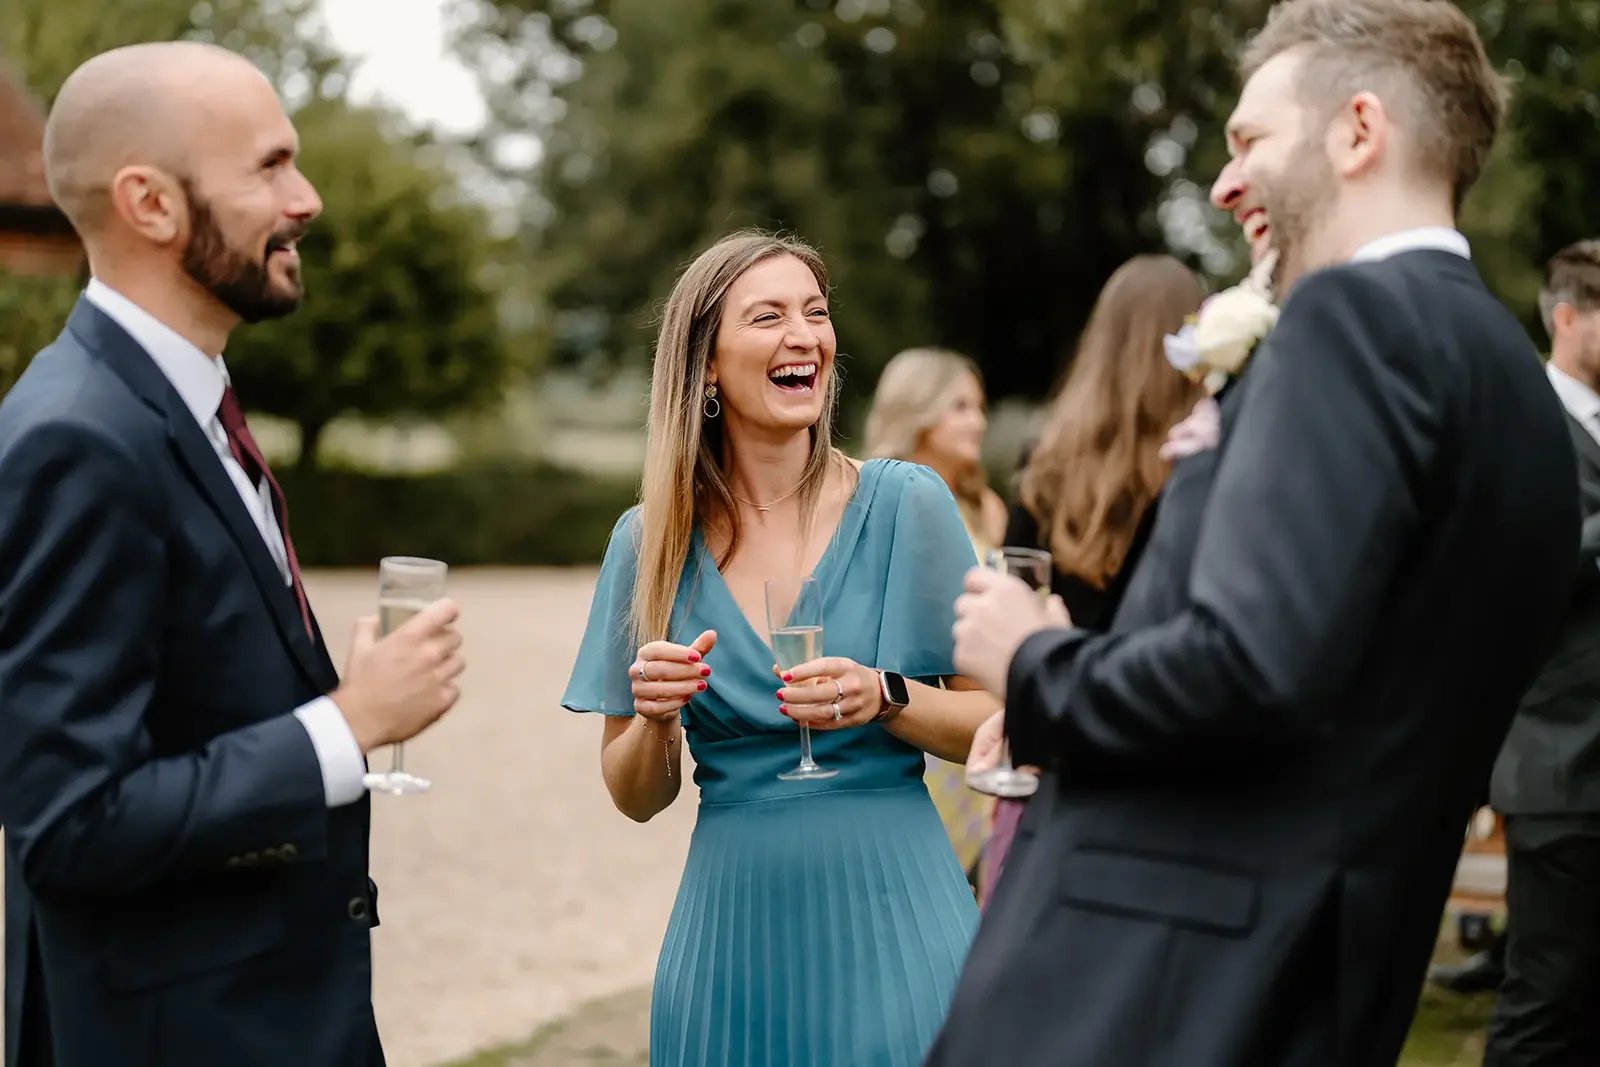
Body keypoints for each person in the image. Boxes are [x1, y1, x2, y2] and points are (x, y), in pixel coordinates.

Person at [929, 2, 1581, 1065]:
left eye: (1248, 142)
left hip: (1156, 977)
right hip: (1325, 980)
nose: (1226, 185)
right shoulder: (1519, 395)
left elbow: (1246, 670)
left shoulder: (1348, 324)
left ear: (1357, 130)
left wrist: (1033, 661)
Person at [0, 43, 465, 1067]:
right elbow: (71, 820)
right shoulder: (79, 436)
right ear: (150, 204)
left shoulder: (181, 405)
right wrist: (348, 724)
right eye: (268, 165)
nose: (307, 199)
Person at [561, 230, 998, 1067]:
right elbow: (636, 794)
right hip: (732, 945)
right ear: (708, 366)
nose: (805, 336)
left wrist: (887, 696)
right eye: (768, 317)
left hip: (900, 919)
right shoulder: (650, 542)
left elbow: (991, 720)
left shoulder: (909, 505)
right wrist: (653, 719)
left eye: (817, 313)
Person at [979, 254, 1205, 903]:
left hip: (1054, 740)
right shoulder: (1208, 465)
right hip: (1162, 743)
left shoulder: (1047, 463)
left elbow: (1009, 599)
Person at [1483, 239, 1600, 1065]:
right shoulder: (1518, 413)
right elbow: (1508, 561)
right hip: (1559, 760)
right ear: (1567, 318)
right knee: (1544, 1000)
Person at [862, 346, 1007, 891]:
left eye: (980, 406)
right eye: (960, 407)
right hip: (928, 714)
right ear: (917, 413)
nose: (979, 421)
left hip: (1000, 710)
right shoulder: (881, 503)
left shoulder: (987, 506)